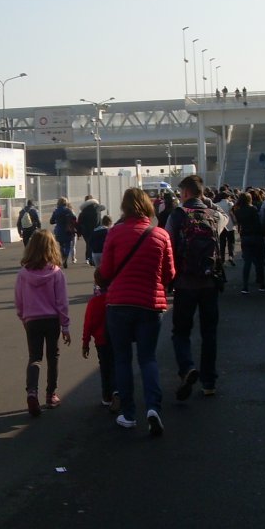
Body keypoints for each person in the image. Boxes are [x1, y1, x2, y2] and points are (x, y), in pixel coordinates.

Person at [95, 187, 175, 436]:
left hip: (119, 303)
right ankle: (153, 408)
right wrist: (156, 285)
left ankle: (128, 414)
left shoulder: (115, 232)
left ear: (125, 207)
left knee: (122, 359)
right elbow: (170, 273)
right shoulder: (160, 235)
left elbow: (106, 271)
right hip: (150, 304)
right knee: (148, 358)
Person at [165, 175, 223, 399]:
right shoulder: (213, 214)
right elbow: (228, 221)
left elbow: (169, 246)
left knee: (181, 331)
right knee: (209, 333)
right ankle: (209, 382)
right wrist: (209, 203)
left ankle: (187, 367)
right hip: (210, 282)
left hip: (185, 282)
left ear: (186, 192)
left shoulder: (177, 215)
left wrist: (168, 280)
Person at [14, 230, 71, 416]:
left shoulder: (23, 274)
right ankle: (50, 394)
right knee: (53, 356)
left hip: (32, 320)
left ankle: (32, 392)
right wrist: (65, 325)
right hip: (52, 320)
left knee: (35, 357)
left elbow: (19, 299)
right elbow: (62, 301)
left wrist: (23, 317)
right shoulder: (56, 273)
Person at [82, 285, 119, 412]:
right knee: (117, 364)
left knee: (105, 367)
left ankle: (107, 396)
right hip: (116, 337)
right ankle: (117, 390)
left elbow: (88, 323)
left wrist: (85, 343)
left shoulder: (94, 301)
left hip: (101, 339)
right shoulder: (116, 298)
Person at [235, 191, 265, 293]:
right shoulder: (253, 209)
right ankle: (262, 284)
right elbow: (258, 223)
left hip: (245, 237)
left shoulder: (238, 211)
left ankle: (245, 286)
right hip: (256, 236)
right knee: (259, 262)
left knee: (247, 263)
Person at [49, 197, 78, 268]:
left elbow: (51, 221)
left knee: (61, 245)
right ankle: (65, 258)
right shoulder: (68, 210)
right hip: (68, 230)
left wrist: (57, 220)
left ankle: (63, 255)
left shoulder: (56, 211)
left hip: (59, 230)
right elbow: (74, 218)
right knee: (68, 245)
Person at [77, 195, 104, 265]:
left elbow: (80, 222)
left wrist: (78, 232)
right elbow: (103, 207)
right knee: (95, 243)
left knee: (88, 244)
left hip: (86, 231)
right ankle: (92, 258)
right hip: (97, 229)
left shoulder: (83, 211)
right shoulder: (97, 207)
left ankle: (89, 258)